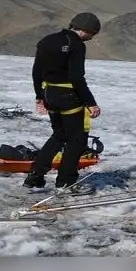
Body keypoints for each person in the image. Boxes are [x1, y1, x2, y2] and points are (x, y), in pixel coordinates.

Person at [24, 12, 102, 193]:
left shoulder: (46, 41)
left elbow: (36, 71)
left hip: (49, 93)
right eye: (93, 33)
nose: (91, 37)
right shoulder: (76, 45)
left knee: (59, 135)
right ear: (87, 29)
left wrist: (39, 96)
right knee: (76, 139)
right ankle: (66, 181)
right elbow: (76, 77)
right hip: (68, 96)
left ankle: (35, 175)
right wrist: (90, 103)